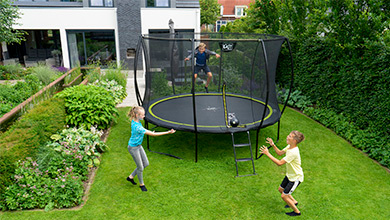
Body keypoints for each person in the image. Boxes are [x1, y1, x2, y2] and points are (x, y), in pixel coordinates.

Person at [127, 106, 176, 192]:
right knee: (140, 167)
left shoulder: (136, 121)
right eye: (142, 115)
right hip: (133, 148)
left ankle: (130, 177)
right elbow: (152, 135)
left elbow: (142, 130)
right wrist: (168, 132)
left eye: (144, 114)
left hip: (138, 146)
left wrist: (147, 130)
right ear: (136, 115)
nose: (144, 116)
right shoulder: (137, 127)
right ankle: (142, 184)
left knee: (146, 163)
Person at [259, 131, 305, 217]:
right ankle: (294, 202)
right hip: (290, 175)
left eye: (290, 136)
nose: (287, 137)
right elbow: (279, 153)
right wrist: (273, 145)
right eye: (289, 135)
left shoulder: (293, 152)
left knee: (284, 196)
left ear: (295, 141)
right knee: (281, 190)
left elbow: (279, 163)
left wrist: (267, 153)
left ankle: (296, 212)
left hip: (296, 178)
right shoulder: (289, 146)